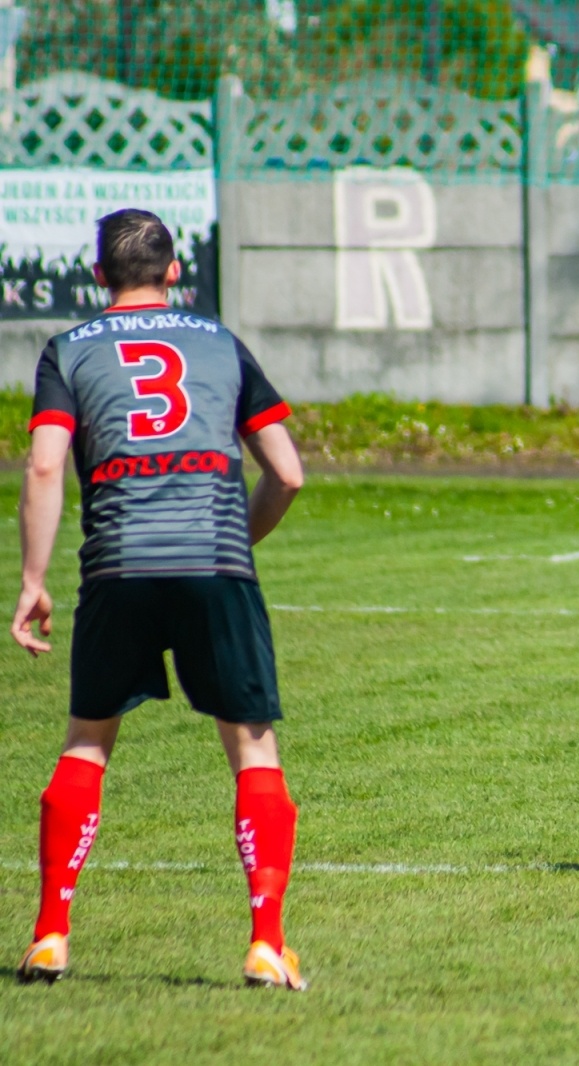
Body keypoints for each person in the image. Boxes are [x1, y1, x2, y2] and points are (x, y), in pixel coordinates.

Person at [12, 209, 307, 990]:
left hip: (115, 568)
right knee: (252, 747)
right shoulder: (219, 342)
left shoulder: (66, 351)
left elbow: (45, 469)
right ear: (175, 271)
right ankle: (268, 944)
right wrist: (235, 544)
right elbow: (288, 473)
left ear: (98, 275)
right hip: (215, 563)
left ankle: (49, 936)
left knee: (86, 744)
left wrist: (33, 582)